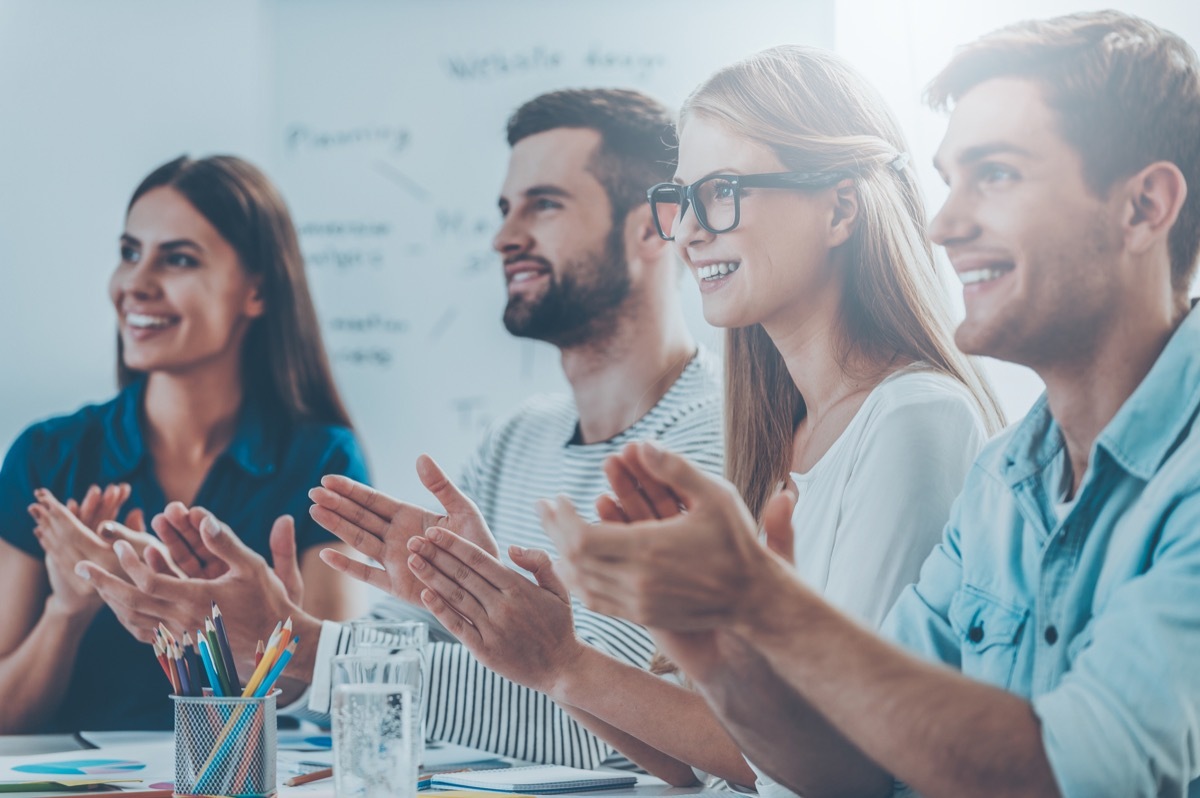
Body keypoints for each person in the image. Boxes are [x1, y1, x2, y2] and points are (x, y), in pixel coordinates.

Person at [541, 11, 1200, 798]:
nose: (945, 224)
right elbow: (855, 769)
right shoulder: (1004, 481)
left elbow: (1075, 777)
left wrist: (759, 600)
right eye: (950, 180)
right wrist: (714, 651)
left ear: (1144, 207)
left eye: (994, 174)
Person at [362, 45, 1003, 788]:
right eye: (684, 201)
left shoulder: (913, 421)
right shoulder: (770, 435)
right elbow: (698, 761)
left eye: (724, 191)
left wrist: (565, 663)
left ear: (840, 207)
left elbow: (839, 763)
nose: (690, 232)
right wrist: (545, 657)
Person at [79, 89, 724, 768]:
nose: (505, 237)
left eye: (545, 204)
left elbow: (610, 715)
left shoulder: (708, 439)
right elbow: (402, 640)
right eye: (505, 210)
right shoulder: (517, 441)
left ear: (657, 226)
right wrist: (290, 649)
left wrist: (305, 646)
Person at [0, 155, 368, 733]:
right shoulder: (47, 456)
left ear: (256, 292)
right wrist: (67, 609)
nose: (135, 284)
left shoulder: (322, 461)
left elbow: (341, 707)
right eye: (129, 253)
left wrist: (270, 626)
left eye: (177, 259)